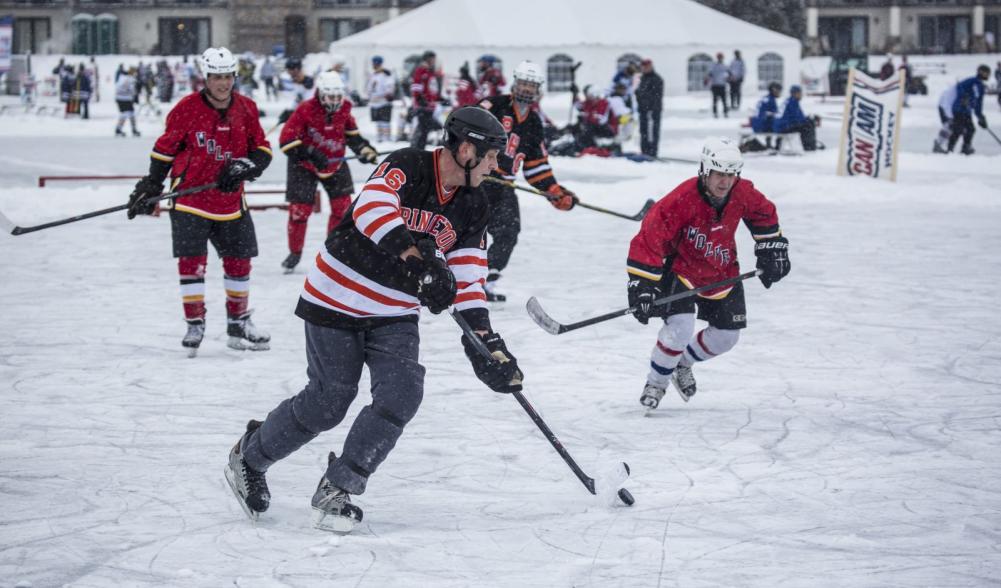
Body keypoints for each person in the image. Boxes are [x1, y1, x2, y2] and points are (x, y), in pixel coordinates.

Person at [223, 106, 524, 533]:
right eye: (493, 156)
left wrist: (485, 343)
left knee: (402, 394)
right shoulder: (408, 164)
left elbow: (469, 278)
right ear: (467, 149)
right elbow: (372, 209)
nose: (497, 166)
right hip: (336, 298)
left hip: (396, 312)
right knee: (329, 403)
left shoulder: (475, 205)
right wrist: (417, 260)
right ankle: (249, 457)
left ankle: (339, 487)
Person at [125, 47, 273, 356]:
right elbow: (164, 150)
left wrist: (247, 165)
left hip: (231, 203)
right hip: (190, 201)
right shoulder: (186, 109)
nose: (223, 83)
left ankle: (238, 322)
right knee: (192, 265)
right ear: (205, 78)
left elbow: (262, 148)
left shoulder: (247, 108)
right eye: (216, 77)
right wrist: (150, 184)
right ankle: (195, 322)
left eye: (228, 77)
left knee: (239, 263)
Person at [626, 137, 789, 409]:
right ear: (705, 170)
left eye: (730, 175)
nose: (724, 182)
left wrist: (772, 248)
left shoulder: (742, 192)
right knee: (680, 329)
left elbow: (764, 214)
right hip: (682, 270)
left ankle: (682, 363)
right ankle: (656, 383)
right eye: (719, 174)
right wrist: (642, 285)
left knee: (727, 337)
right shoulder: (681, 198)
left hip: (722, 272)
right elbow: (650, 238)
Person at [478, 60, 578, 301]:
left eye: (531, 86)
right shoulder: (493, 105)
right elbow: (464, 131)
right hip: (477, 181)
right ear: (514, 83)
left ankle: (486, 281)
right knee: (472, 232)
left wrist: (553, 190)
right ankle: (460, 280)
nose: (526, 89)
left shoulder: (534, 122)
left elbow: (535, 165)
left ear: (538, 90)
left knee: (509, 232)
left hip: (505, 186)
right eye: (523, 83)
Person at [279, 72, 380, 273]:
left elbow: (353, 137)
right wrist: (310, 152)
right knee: (300, 212)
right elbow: (286, 140)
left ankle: (333, 251)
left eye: (337, 97)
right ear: (321, 95)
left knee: (342, 210)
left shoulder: (345, 110)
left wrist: (365, 150)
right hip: (304, 166)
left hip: (335, 163)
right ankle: (295, 252)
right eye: (330, 97)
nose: (334, 101)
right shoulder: (305, 109)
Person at [947, 65, 991, 155]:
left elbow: (978, 104)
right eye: (986, 73)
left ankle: (966, 147)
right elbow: (959, 86)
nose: (988, 75)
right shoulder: (972, 81)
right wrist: (964, 96)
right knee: (958, 129)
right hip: (959, 109)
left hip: (967, 111)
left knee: (971, 129)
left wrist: (981, 117)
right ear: (980, 72)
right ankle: (950, 149)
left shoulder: (981, 87)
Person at [409, 50, 441, 149]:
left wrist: (438, 98)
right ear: (427, 59)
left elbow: (432, 88)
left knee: (424, 128)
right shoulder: (421, 70)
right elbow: (416, 85)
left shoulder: (430, 72)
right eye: (432, 59)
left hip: (430, 105)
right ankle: (417, 148)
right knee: (423, 128)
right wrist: (418, 97)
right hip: (423, 105)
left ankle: (417, 147)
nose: (434, 61)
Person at [774, 85, 820, 151]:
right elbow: (797, 119)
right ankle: (808, 146)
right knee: (808, 125)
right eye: (800, 93)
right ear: (795, 93)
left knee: (807, 123)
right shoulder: (793, 102)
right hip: (784, 127)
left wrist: (807, 118)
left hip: (780, 126)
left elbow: (798, 117)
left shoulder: (788, 101)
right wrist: (810, 119)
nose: (801, 95)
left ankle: (808, 144)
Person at [740, 82, 782, 153]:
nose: (780, 92)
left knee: (773, 122)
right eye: (779, 90)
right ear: (774, 90)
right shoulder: (771, 100)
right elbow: (772, 115)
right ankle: (777, 146)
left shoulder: (765, 98)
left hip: (756, 124)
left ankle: (768, 144)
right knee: (781, 126)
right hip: (762, 125)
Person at [636, 58, 664, 158]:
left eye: (646, 67)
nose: (644, 69)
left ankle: (652, 152)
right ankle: (645, 150)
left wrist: (651, 109)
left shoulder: (656, 79)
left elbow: (656, 96)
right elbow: (639, 93)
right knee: (643, 131)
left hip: (652, 111)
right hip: (643, 110)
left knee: (652, 132)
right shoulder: (642, 78)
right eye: (643, 67)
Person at [366, 56, 396, 142]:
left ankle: (386, 138)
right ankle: (379, 138)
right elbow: (369, 88)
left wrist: (388, 94)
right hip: (374, 102)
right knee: (378, 121)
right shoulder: (373, 75)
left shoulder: (386, 74)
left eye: (375, 63)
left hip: (384, 102)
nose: (374, 65)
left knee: (385, 121)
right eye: (373, 63)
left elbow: (390, 87)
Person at [114, 66, 140, 137]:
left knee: (128, 114)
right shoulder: (129, 79)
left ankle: (120, 129)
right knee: (127, 114)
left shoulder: (122, 77)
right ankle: (121, 129)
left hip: (121, 98)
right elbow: (132, 90)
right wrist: (135, 96)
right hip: (125, 98)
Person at [933, 82, 957, 154]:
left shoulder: (954, 90)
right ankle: (939, 144)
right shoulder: (951, 92)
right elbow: (946, 104)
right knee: (948, 126)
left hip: (945, 108)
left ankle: (940, 143)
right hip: (944, 108)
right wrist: (950, 116)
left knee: (949, 127)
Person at [705, 52, 730, 118]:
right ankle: (715, 113)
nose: (720, 58)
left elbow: (729, 74)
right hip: (715, 85)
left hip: (722, 85)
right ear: (717, 58)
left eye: (721, 57)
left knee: (724, 100)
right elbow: (709, 74)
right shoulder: (713, 66)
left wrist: (728, 79)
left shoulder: (725, 66)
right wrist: (707, 80)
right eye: (719, 57)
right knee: (715, 100)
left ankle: (725, 113)